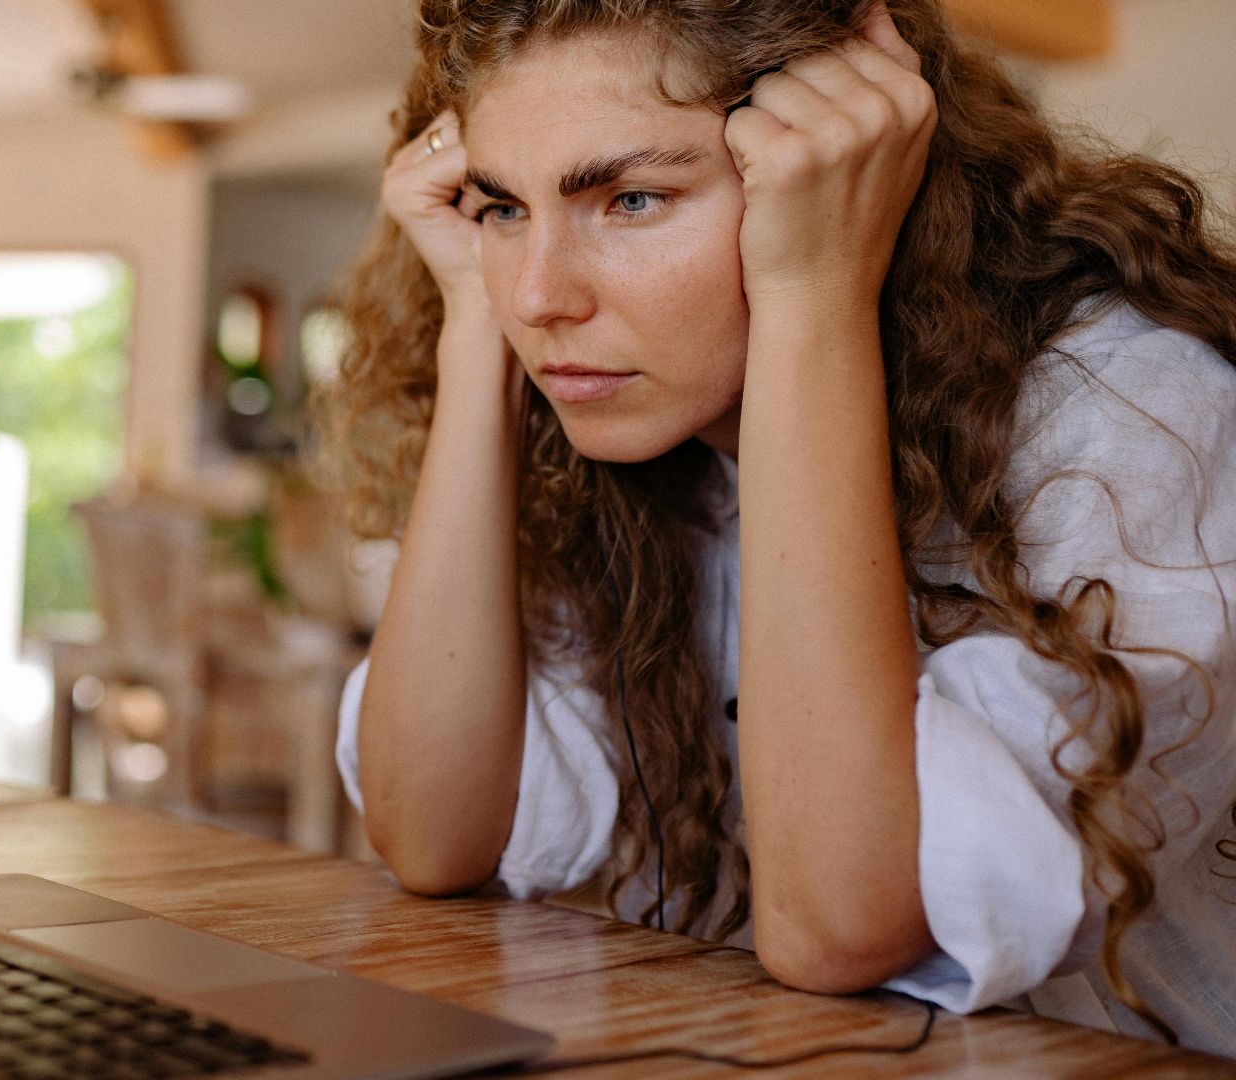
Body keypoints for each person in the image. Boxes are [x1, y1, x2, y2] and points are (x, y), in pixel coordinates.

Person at [322, 0, 1236, 1055]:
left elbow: (842, 927)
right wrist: (471, 331)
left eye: (630, 197)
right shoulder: (610, 438)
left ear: (829, 164)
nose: (541, 297)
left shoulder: (1130, 413)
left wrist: (814, 290)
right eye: (503, 208)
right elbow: (431, 834)